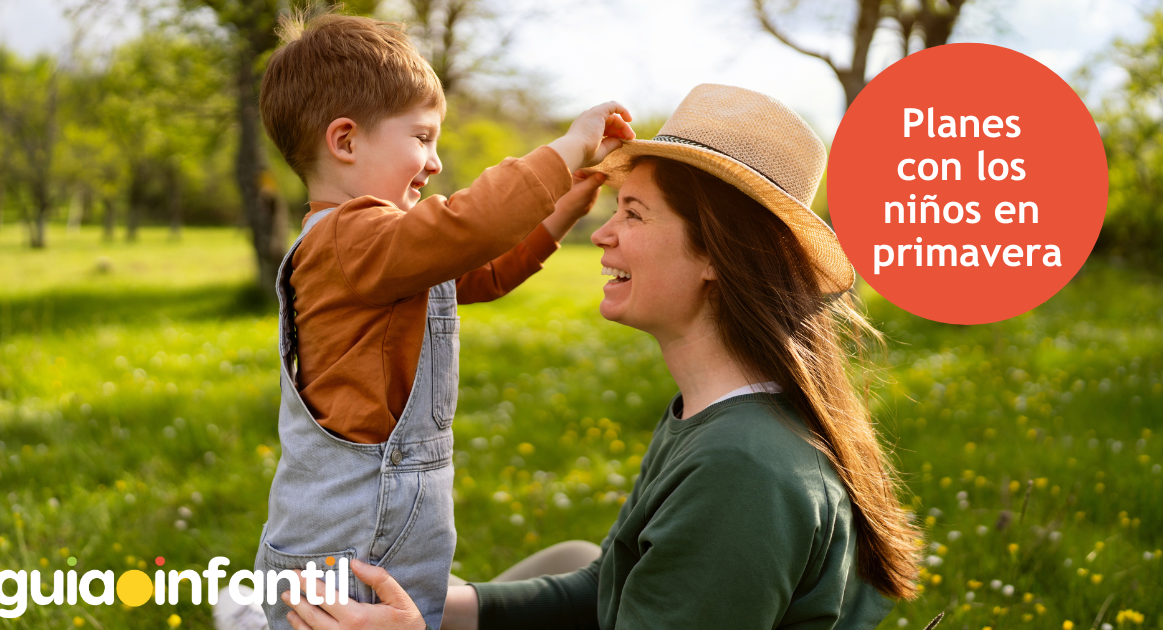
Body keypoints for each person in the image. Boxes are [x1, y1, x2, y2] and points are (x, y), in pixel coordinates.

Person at [275, 84, 923, 630]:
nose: (603, 234)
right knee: (574, 555)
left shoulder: (743, 470)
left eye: (633, 214)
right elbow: (606, 585)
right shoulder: (715, 415)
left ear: (716, 254)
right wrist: (439, 610)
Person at [244, 9, 634, 630]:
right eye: (422, 138)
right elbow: (470, 225)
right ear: (345, 142)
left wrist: (565, 204)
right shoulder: (350, 239)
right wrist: (565, 152)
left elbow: (485, 268)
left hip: (374, 544)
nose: (435, 163)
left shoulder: (388, 252)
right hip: (348, 555)